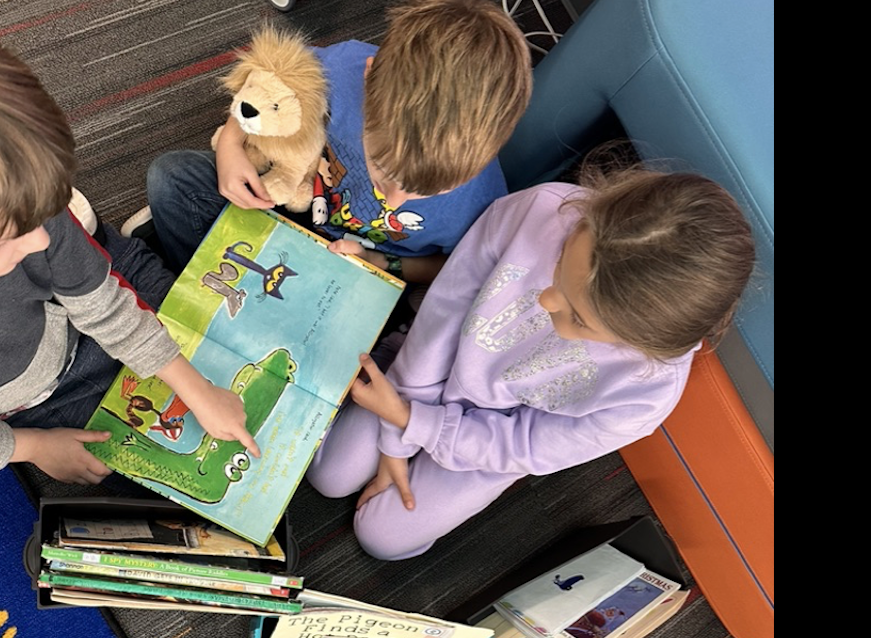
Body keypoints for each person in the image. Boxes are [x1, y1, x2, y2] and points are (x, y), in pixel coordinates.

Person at [303, 154, 756, 560]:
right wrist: (398, 427)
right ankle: (386, 361)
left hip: (489, 443)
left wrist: (411, 424)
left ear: (639, 345)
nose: (548, 302)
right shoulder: (543, 211)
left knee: (383, 537)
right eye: (561, 267)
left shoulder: (645, 395)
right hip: (425, 367)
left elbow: (525, 446)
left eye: (578, 318)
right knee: (330, 476)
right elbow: (446, 307)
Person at [0, 0, 259, 487]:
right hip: (17, 412)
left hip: (77, 328)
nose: (40, 240)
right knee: (140, 488)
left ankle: (126, 251)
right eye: (3, 239)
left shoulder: (14, 201)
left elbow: (97, 299)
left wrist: (193, 386)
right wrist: (32, 447)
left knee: (224, 344)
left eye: (43, 211)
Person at [133, 0, 531, 293]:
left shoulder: (486, 200)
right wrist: (233, 145)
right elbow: (272, 86)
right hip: (294, 201)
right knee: (170, 177)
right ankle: (198, 292)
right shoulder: (341, 70)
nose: (393, 198)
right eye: (383, 169)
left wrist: (384, 264)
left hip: (365, 270)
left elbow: (453, 266)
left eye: (431, 191)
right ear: (368, 74)